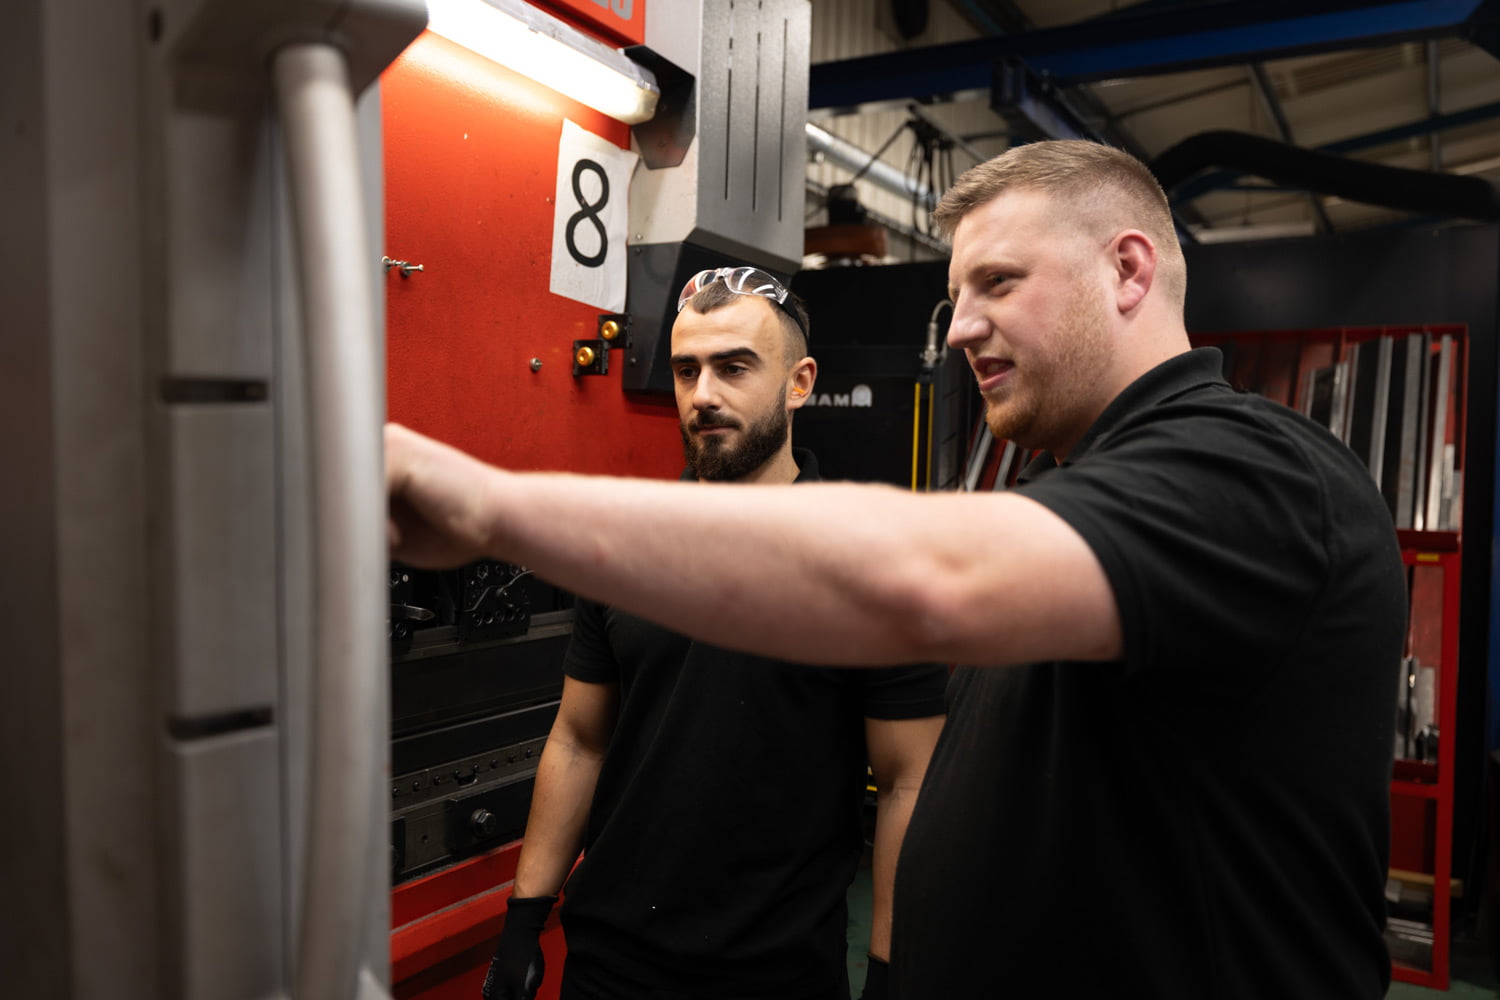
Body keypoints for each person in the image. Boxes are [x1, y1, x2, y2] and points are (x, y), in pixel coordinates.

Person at [389, 139, 1407, 998]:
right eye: (956, 293)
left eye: (998, 284)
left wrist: (489, 508)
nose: (960, 326)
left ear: (1129, 272)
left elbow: (927, 586)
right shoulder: (1085, 487)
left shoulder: (1252, 469)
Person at [479, 266, 948, 1000]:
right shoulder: (621, 548)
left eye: (734, 368)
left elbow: (907, 781)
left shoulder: (872, 563)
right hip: (610, 963)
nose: (703, 396)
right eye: (686, 369)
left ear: (799, 383)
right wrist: (524, 917)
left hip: (775, 975)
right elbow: (579, 739)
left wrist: (890, 970)